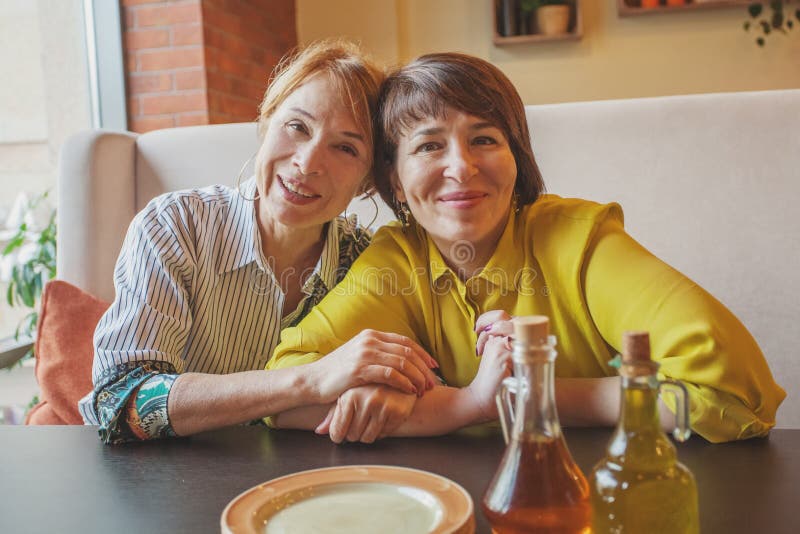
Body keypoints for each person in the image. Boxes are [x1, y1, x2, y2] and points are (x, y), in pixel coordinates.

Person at [266, 52, 785, 444]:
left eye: (485, 139)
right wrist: (467, 404)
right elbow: (286, 388)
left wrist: (532, 391)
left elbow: (733, 393)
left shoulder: (580, 239)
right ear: (394, 182)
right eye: (428, 145)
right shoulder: (396, 258)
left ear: (517, 158)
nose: (461, 167)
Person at [78, 40, 439, 444]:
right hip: (171, 486)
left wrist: (383, 390)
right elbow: (122, 404)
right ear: (266, 123)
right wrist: (309, 380)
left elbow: (407, 377)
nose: (307, 162)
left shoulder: (365, 259)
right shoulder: (176, 226)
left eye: (345, 147)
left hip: (305, 484)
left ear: (368, 180)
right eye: (297, 126)